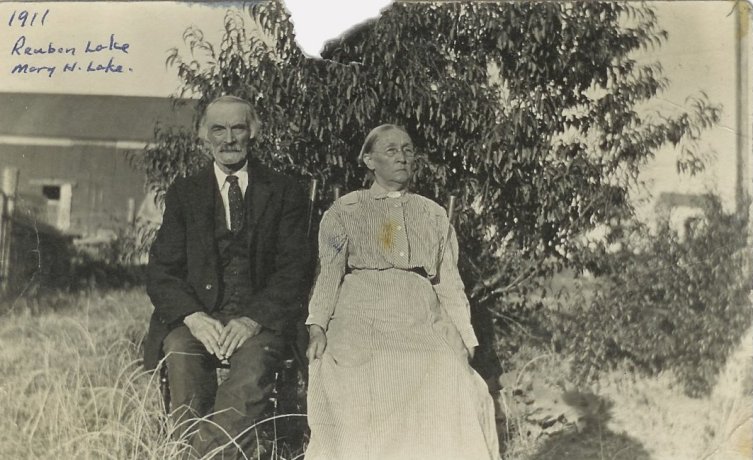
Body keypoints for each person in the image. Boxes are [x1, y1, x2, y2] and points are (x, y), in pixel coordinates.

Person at [304, 124, 499, 460]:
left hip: (419, 314)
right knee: (359, 371)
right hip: (361, 312)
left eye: (408, 150)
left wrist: (466, 338)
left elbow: (450, 284)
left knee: (448, 369)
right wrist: (317, 326)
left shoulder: (433, 214)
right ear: (369, 160)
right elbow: (329, 274)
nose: (403, 158)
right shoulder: (346, 210)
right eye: (391, 150)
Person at [143, 95, 312, 458]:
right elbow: (161, 270)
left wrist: (253, 319)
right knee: (180, 352)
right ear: (205, 136)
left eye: (238, 128)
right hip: (198, 319)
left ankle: (189, 454)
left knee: (250, 371)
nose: (229, 138)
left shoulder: (284, 192)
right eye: (218, 129)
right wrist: (193, 317)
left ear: (253, 133)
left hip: (261, 322)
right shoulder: (185, 194)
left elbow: (295, 270)